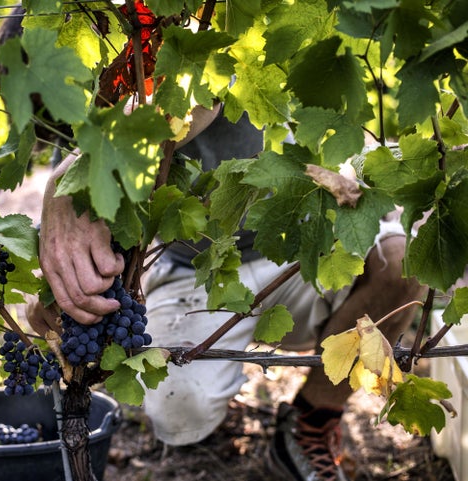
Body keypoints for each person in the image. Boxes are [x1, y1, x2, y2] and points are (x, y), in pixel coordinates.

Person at [27, 98, 427, 481]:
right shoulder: (83, 91)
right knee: (179, 414)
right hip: (192, 268)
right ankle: (219, 383)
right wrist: (50, 274)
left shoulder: (172, 31)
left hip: (298, 243)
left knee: (399, 262)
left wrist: (79, 167)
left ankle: (313, 420)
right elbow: (75, 223)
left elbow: (200, 96)